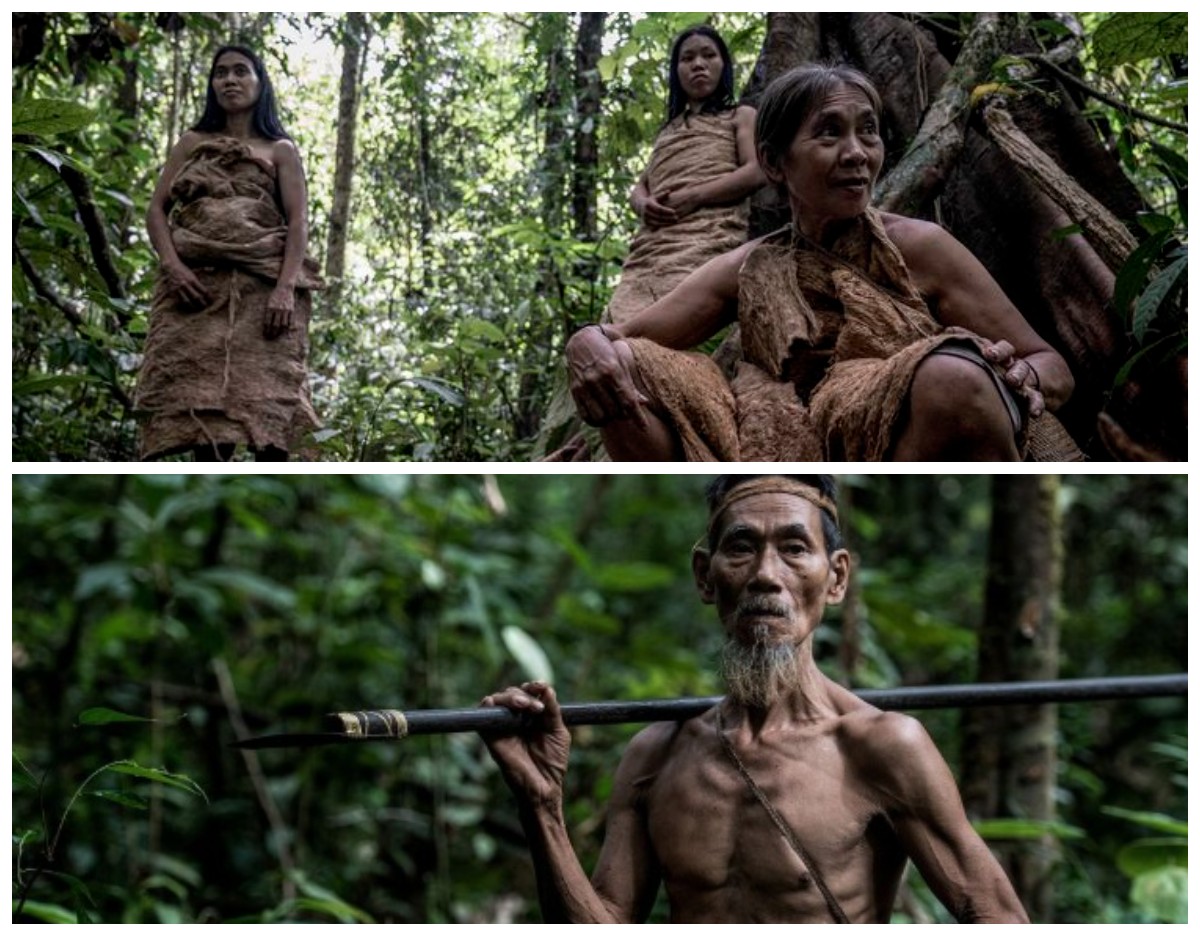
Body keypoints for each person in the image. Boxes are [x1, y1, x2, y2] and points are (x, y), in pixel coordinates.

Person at [482, 474, 1030, 923]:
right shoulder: (656, 759)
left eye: (794, 549)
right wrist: (542, 806)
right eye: (742, 548)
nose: (766, 576)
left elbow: (998, 919)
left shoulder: (882, 748)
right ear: (705, 575)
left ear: (836, 579)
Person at [565, 64, 1077, 461]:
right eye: (829, 133)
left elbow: (1051, 365)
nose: (857, 153)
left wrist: (1021, 380)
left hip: (897, 435)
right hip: (761, 434)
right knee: (620, 370)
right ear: (773, 163)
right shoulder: (749, 267)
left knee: (953, 379)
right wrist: (584, 344)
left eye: (868, 132)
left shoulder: (921, 246)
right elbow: (624, 340)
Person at [135, 44, 321, 461]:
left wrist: (285, 289)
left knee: (271, 412)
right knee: (204, 417)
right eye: (221, 73)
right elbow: (156, 210)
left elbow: (298, 223)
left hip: (264, 293)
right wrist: (173, 268)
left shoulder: (280, 150)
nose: (230, 80)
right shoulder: (192, 143)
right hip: (195, 289)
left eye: (241, 71)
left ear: (260, 83)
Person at [604, 24, 765, 325]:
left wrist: (694, 196)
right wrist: (643, 205)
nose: (698, 64)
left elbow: (756, 172)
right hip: (652, 248)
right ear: (676, 71)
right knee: (614, 326)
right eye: (687, 58)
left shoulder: (740, 116)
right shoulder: (668, 132)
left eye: (708, 55)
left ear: (723, 65)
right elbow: (640, 186)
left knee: (662, 327)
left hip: (708, 238)